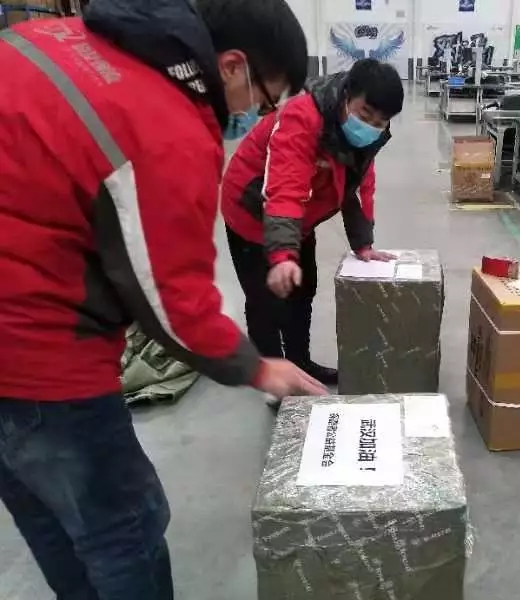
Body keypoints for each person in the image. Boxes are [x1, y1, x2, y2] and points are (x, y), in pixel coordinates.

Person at [0, 0, 327, 597]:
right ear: (232, 67)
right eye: (264, 99)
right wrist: (256, 367)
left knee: (46, 515)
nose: (258, 114)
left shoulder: (49, 38)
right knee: (123, 529)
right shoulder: (164, 125)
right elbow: (169, 296)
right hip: (38, 356)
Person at [221, 59, 405, 386]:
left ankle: (300, 363)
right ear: (346, 95)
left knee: (302, 290)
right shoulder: (303, 117)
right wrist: (282, 255)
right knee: (267, 300)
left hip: (301, 217)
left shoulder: (370, 136)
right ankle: (272, 376)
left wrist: (363, 243)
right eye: (365, 116)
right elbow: (284, 189)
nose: (371, 126)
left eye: (381, 122)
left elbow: (358, 184)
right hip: (252, 209)